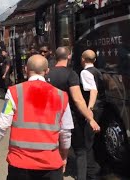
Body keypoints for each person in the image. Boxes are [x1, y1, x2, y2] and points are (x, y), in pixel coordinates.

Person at [0, 55, 74, 180]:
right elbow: (66, 133)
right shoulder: (62, 96)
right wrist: (64, 157)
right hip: (50, 165)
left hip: (20, 165)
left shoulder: (14, 92)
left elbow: (2, 125)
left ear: (25, 69)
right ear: (47, 71)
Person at [45, 47, 101, 179]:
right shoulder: (71, 74)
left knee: (53, 149)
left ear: (55, 56)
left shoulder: (47, 74)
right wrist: (90, 117)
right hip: (71, 118)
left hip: (49, 117)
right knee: (80, 151)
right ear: (69, 56)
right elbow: (78, 99)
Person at [75, 49, 106, 180]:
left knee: (87, 143)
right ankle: (98, 168)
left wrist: (89, 110)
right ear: (94, 60)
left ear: (82, 59)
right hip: (101, 107)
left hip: (94, 109)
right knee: (95, 140)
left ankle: (92, 173)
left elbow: (93, 90)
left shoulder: (85, 72)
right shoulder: (98, 71)